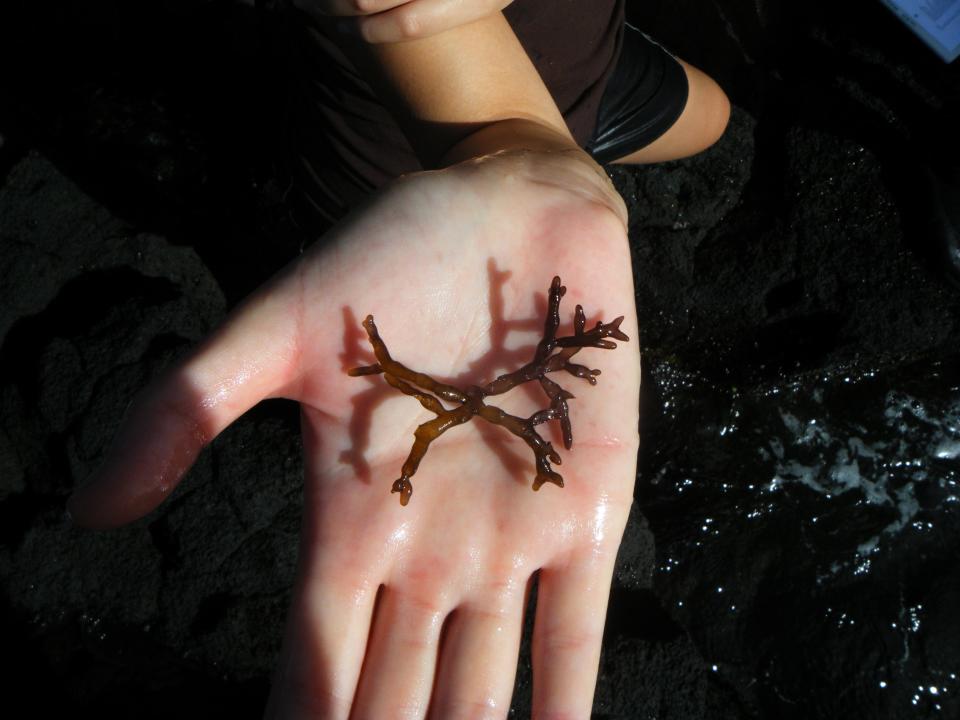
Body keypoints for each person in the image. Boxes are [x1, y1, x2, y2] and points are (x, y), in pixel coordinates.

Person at [68, 2, 729, 717]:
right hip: (397, 140)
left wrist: (538, 151)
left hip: (575, 68)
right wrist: (505, 129)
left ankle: (571, 104)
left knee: (714, 116)